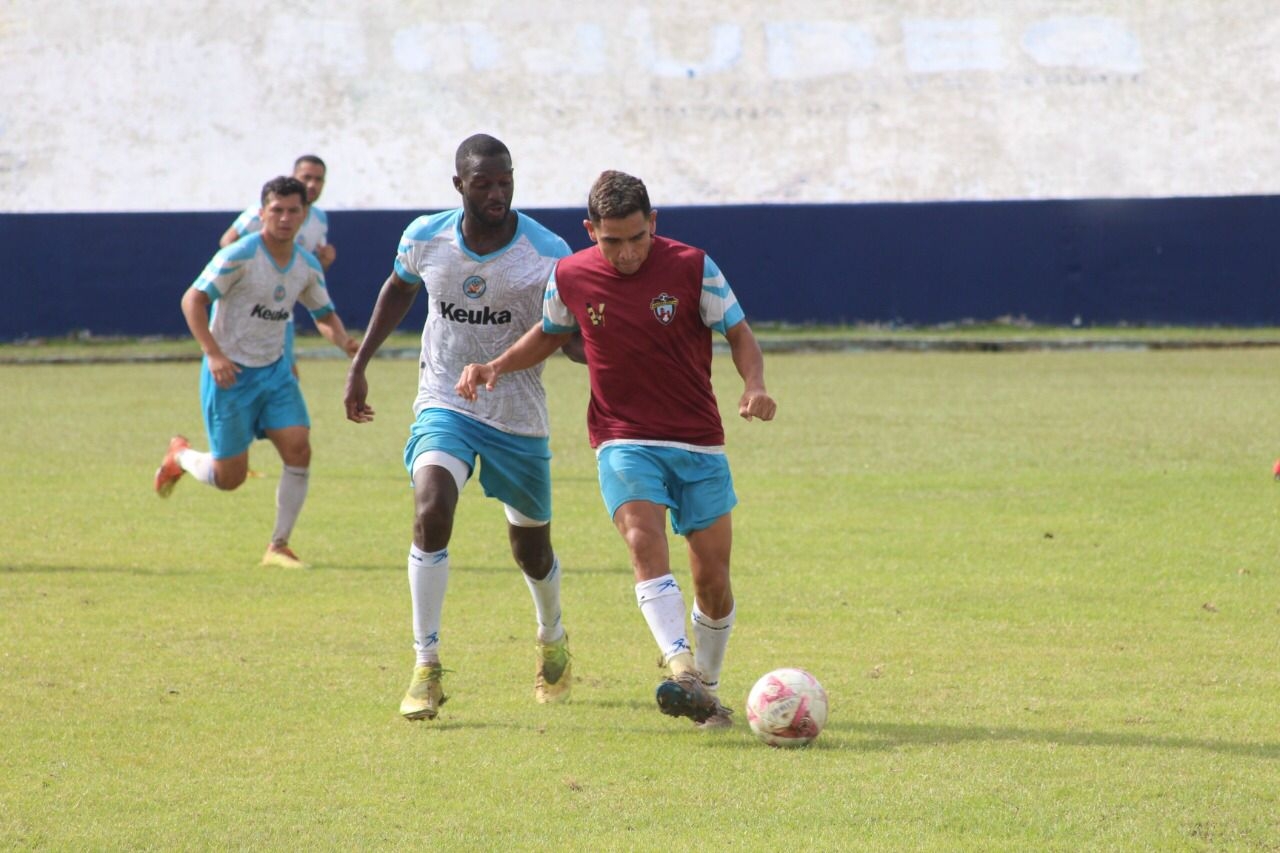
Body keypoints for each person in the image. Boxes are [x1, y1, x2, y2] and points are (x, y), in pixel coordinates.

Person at [457, 170, 777, 730]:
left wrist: (753, 386)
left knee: (714, 583)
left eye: (637, 238)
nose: (627, 253)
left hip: (699, 441)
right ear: (590, 231)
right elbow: (551, 333)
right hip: (622, 436)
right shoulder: (570, 276)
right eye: (612, 241)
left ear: (653, 224)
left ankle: (707, 688)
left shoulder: (694, 266)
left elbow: (740, 333)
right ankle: (679, 664)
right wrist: (496, 365)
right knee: (641, 538)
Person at [343, 134, 575, 722]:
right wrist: (360, 363)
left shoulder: (548, 252)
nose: (497, 193)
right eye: (483, 183)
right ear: (459, 186)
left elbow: (567, 337)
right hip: (445, 399)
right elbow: (398, 289)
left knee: (531, 549)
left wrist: (605, 355)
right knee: (430, 509)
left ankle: (552, 636)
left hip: (518, 415)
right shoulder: (426, 237)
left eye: (505, 181)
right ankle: (426, 667)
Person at [155, 176, 360, 570]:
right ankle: (180, 456)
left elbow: (323, 314)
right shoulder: (241, 254)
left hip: (275, 373)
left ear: (304, 214)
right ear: (262, 211)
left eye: (293, 210)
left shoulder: (306, 265)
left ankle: (278, 545)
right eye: (277, 210)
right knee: (230, 478)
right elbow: (193, 299)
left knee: (299, 448)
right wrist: (213, 354)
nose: (284, 218)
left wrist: (346, 343)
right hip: (229, 375)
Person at [221, 155, 337, 379]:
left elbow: (308, 271)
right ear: (294, 177)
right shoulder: (266, 210)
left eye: (319, 179)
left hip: (279, 310)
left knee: (286, 373)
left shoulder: (319, 219)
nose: (312, 184)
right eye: (306, 177)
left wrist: (325, 261)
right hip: (247, 310)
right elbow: (227, 242)